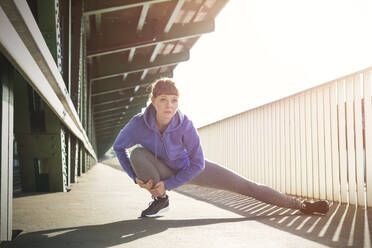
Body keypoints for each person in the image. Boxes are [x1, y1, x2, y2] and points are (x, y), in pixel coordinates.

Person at [113, 78, 330, 218]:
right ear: (153, 101)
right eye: (163, 100)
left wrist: (169, 184)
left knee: (247, 186)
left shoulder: (185, 124)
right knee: (138, 153)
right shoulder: (138, 124)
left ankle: (301, 206)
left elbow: (198, 163)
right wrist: (135, 178)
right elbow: (119, 147)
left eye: (174, 100)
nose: (169, 105)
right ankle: (161, 200)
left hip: (190, 168)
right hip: (162, 169)